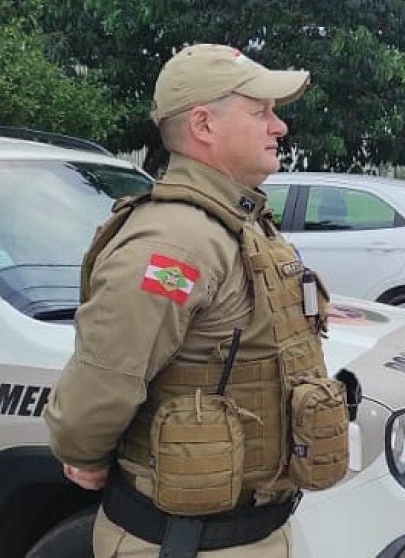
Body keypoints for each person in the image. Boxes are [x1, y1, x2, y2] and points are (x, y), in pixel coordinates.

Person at [44, 44, 348, 557]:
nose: (279, 127)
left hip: (248, 530)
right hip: (186, 541)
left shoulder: (239, 223)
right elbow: (104, 379)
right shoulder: (175, 240)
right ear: (204, 125)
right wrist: (84, 452)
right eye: (261, 112)